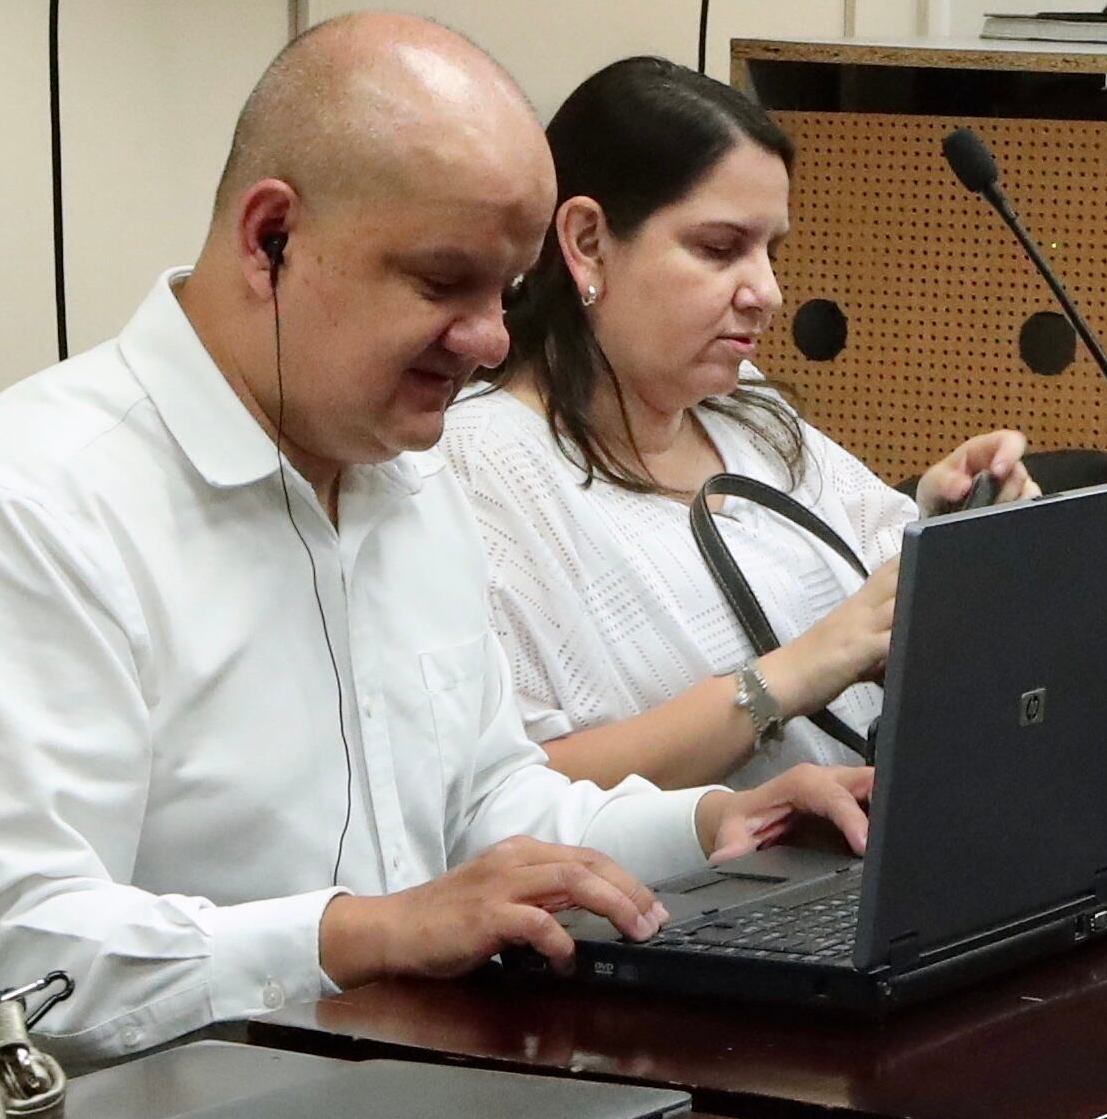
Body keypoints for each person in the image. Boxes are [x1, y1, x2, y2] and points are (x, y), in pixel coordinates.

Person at [0, 13, 871, 1068]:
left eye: (504, 290)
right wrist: (366, 932)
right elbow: (2, 960)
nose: (493, 338)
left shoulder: (407, 481)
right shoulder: (33, 504)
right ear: (269, 239)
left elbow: (491, 806)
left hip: (414, 1094)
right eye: (440, 282)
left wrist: (718, 825)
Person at [442, 57, 1032, 792]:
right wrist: (796, 672)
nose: (767, 292)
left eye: (770, 251)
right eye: (719, 249)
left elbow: (875, 593)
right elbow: (507, 796)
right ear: (588, 240)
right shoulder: (475, 467)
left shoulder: (742, 409)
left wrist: (947, 529)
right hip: (685, 899)